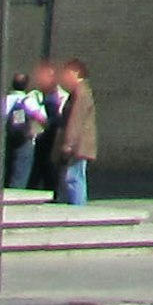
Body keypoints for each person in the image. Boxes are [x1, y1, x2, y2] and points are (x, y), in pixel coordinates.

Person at [50, 58, 99, 206]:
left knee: (73, 178)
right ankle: (77, 207)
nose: (65, 77)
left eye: (67, 73)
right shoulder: (80, 91)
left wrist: (68, 144)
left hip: (78, 145)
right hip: (79, 144)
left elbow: (75, 120)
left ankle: (78, 210)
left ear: (77, 73)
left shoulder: (81, 92)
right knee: (75, 176)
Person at [1, 61, 55, 194]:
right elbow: (43, 119)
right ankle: (16, 196)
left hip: (7, 139)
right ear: (26, 85)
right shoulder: (28, 100)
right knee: (21, 172)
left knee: (7, 170)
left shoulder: (4, 100)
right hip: (25, 141)